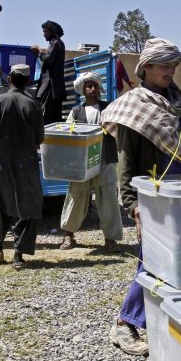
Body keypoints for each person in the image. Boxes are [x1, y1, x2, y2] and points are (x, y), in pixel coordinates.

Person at [101, 38, 181, 355]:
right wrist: (134, 206)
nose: (170, 71)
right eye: (164, 66)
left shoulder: (177, 104)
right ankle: (124, 324)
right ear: (146, 67)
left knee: (175, 263)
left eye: (174, 66)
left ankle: (163, 324)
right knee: (152, 263)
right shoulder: (135, 107)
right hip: (154, 199)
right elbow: (126, 165)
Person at [0, 64, 44, 270]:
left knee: (0, 207)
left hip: (1, 163)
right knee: (27, 208)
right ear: (27, 82)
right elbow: (39, 138)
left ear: (9, 80)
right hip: (26, 165)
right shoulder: (33, 104)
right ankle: (18, 255)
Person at [59, 71, 123, 252]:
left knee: (109, 200)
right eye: (89, 86)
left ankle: (111, 240)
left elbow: (118, 129)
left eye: (95, 85)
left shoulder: (109, 108)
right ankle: (68, 236)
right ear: (83, 89)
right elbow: (67, 134)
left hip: (105, 161)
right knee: (75, 197)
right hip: (82, 164)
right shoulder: (75, 111)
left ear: (99, 88)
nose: (92, 88)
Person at [32, 20, 66, 125]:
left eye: (46, 31)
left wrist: (38, 51)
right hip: (51, 88)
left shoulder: (56, 43)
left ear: (52, 32)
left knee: (47, 119)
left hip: (52, 88)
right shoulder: (54, 44)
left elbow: (48, 60)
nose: (44, 34)